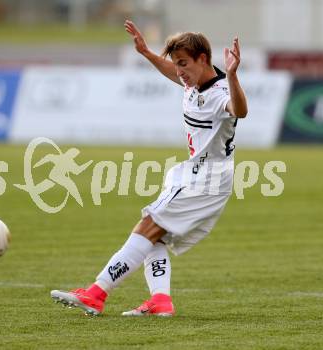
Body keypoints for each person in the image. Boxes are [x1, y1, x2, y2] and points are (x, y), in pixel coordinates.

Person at [50, 20, 248, 316]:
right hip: (199, 176)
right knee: (155, 236)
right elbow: (174, 73)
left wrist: (233, 76)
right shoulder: (193, 80)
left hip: (205, 178)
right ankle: (160, 301)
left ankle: (96, 293)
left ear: (203, 59)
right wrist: (146, 53)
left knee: (146, 227)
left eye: (184, 64)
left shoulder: (219, 94)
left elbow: (240, 110)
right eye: (177, 64)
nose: (179, 71)